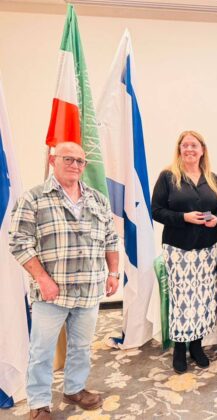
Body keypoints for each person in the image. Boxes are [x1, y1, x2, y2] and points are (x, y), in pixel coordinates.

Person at [9, 142, 119, 419]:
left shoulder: (97, 199)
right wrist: (42, 279)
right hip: (51, 293)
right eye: (68, 159)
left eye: (80, 161)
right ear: (52, 160)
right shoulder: (33, 198)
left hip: (89, 289)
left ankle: (74, 389)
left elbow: (111, 239)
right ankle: (39, 403)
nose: (75, 165)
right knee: (42, 351)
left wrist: (113, 273)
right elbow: (19, 242)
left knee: (81, 346)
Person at [152, 131, 217, 374]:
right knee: (182, 300)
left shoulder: (212, 178)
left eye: (194, 145)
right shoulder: (168, 176)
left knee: (203, 298)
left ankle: (197, 346)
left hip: (208, 250)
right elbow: (156, 211)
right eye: (185, 145)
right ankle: (179, 349)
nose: (189, 149)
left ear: (202, 150)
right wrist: (183, 217)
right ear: (179, 149)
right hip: (178, 249)